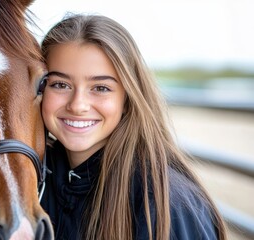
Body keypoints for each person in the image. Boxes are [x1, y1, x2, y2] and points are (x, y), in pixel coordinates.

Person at [39, 14, 227, 240]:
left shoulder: (166, 204)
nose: (78, 105)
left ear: (127, 99)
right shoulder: (28, 183)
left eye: (100, 88)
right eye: (60, 85)